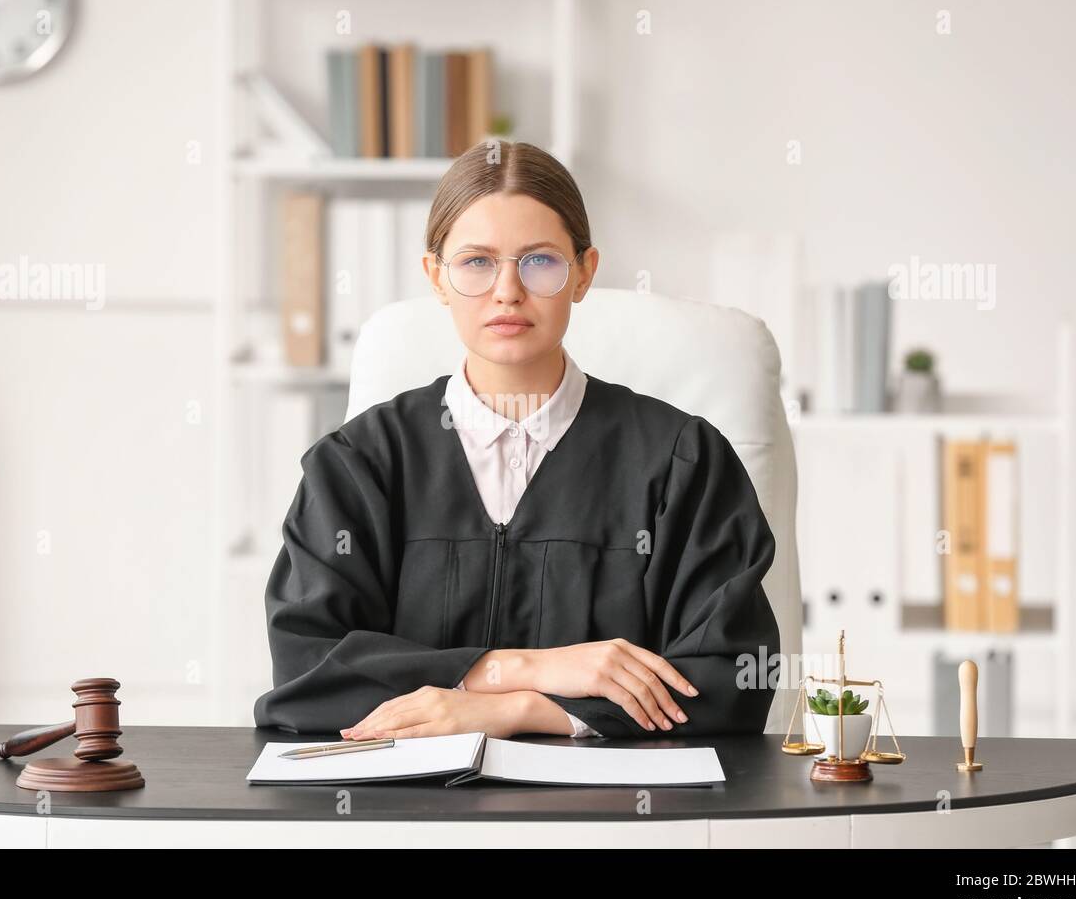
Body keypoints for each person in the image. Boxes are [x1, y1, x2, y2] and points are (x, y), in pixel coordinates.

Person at [253, 140, 780, 740]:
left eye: (540, 261)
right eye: (476, 262)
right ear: (437, 277)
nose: (507, 291)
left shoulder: (682, 462)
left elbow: (731, 681)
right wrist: (530, 668)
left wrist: (522, 709)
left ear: (583, 273)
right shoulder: (358, 465)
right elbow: (307, 673)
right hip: (407, 823)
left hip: (612, 828)